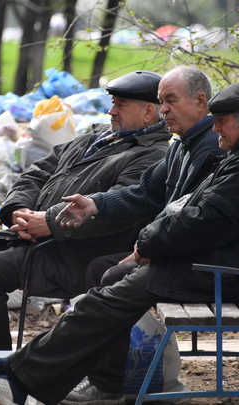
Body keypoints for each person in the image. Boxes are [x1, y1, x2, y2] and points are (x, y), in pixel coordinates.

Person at [0, 81, 239, 405]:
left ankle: (18, 377)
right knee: (106, 285)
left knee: (98, 303)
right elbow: (171, 204)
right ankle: (77, 382)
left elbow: (200, 222)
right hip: (205, 265)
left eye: (222, 121)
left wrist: (147, 244)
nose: (216, 127)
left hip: (216, 274)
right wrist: (100, 207)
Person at [0, 70, 172, 391]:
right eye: (112, 103)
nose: (111, 111)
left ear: (148, 111)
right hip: (37, 234)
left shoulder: (151, 155)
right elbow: (37, 171)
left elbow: (115, 210)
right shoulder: (95, 136)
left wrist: (49, 223)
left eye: (120, 105)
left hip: (79, 252)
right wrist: (19, 211)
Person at [81, 65, 224, 289]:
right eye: (161, 101)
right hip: (168, 247)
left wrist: (148, 248)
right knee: (99, 268)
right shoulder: (182, 142)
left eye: (171, 100)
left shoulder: (211, 148)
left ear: (200, 100)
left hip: (195, 263)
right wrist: (93, 203)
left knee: (109, 274)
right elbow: (146, 192)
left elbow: (188, 220)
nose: (163, 110)